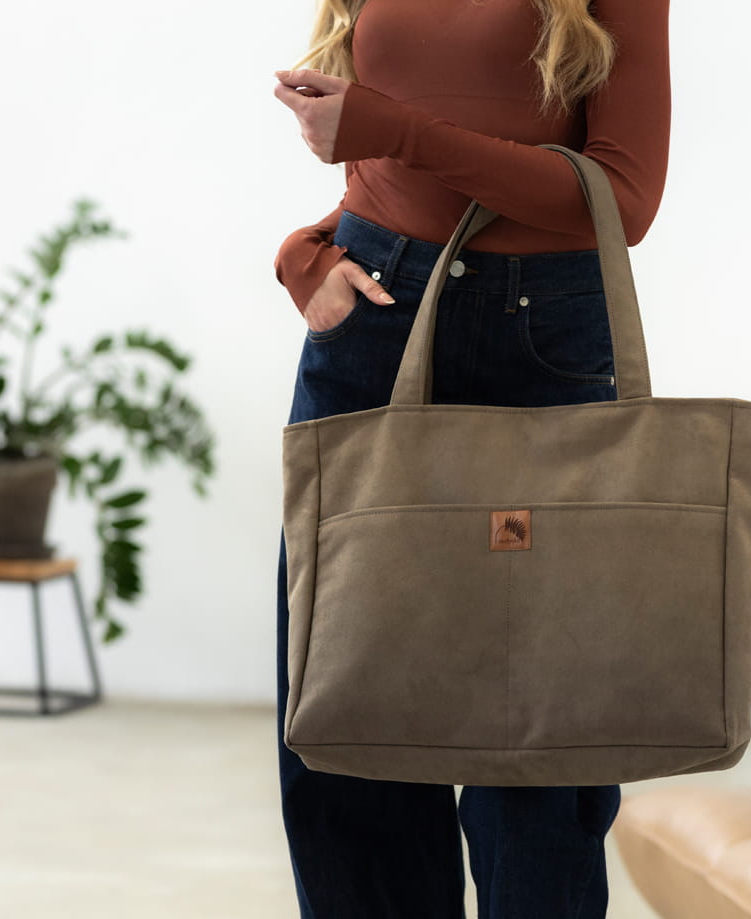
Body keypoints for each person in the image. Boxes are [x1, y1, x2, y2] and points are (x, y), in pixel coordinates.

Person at [269, 0, 669, 915]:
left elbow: (622, 199)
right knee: (348, 715)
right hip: (372, 323)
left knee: (540, 742)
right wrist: (308, 256)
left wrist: (394, 129)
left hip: (541, 344)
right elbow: (387, 175)